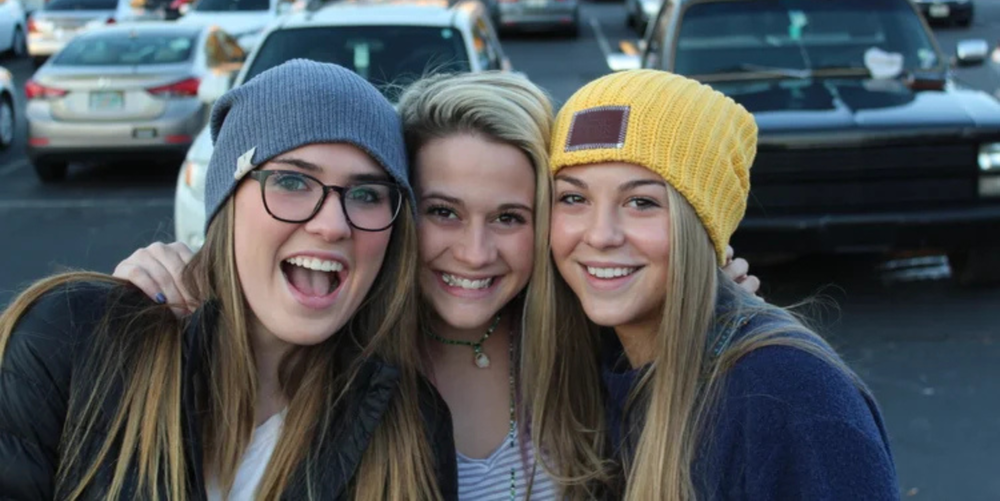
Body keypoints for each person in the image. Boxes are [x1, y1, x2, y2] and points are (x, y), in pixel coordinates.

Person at [109, 70, 760, 500]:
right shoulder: (339, 350)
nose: (474, 253)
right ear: (393, 209)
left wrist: (712, 298)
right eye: (443, 211)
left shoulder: (590, 345)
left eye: (509, 217)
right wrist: (163, 276)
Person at [0, 60, 457, 500]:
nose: (333, 225)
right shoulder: (69, 341)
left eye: (366, 194)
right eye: (293, 182)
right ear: (227, 201)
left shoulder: (411, 426)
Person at [536, 69, 900, 500]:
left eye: (642, 202)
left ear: (703, 227)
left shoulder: (790, 394)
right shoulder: (600, 361)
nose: (600, 235)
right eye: (574, 198)